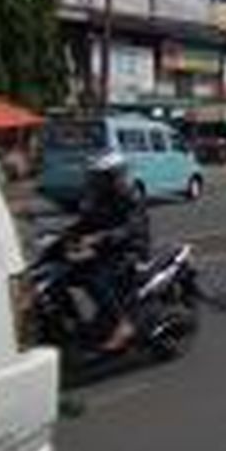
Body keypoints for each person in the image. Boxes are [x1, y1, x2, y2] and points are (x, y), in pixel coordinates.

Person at [65, 150, 151, 353]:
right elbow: (86, 222)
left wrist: (99, 237)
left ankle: (124, 324)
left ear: (113, 176)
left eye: (99, 176)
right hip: (107, 249)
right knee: (68, 272)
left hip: (131, 251)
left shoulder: (129, 195)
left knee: (95, 277)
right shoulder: (97, 197)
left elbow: (132, 228)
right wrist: (65, 233)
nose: (94, 180)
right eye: (94, 176)